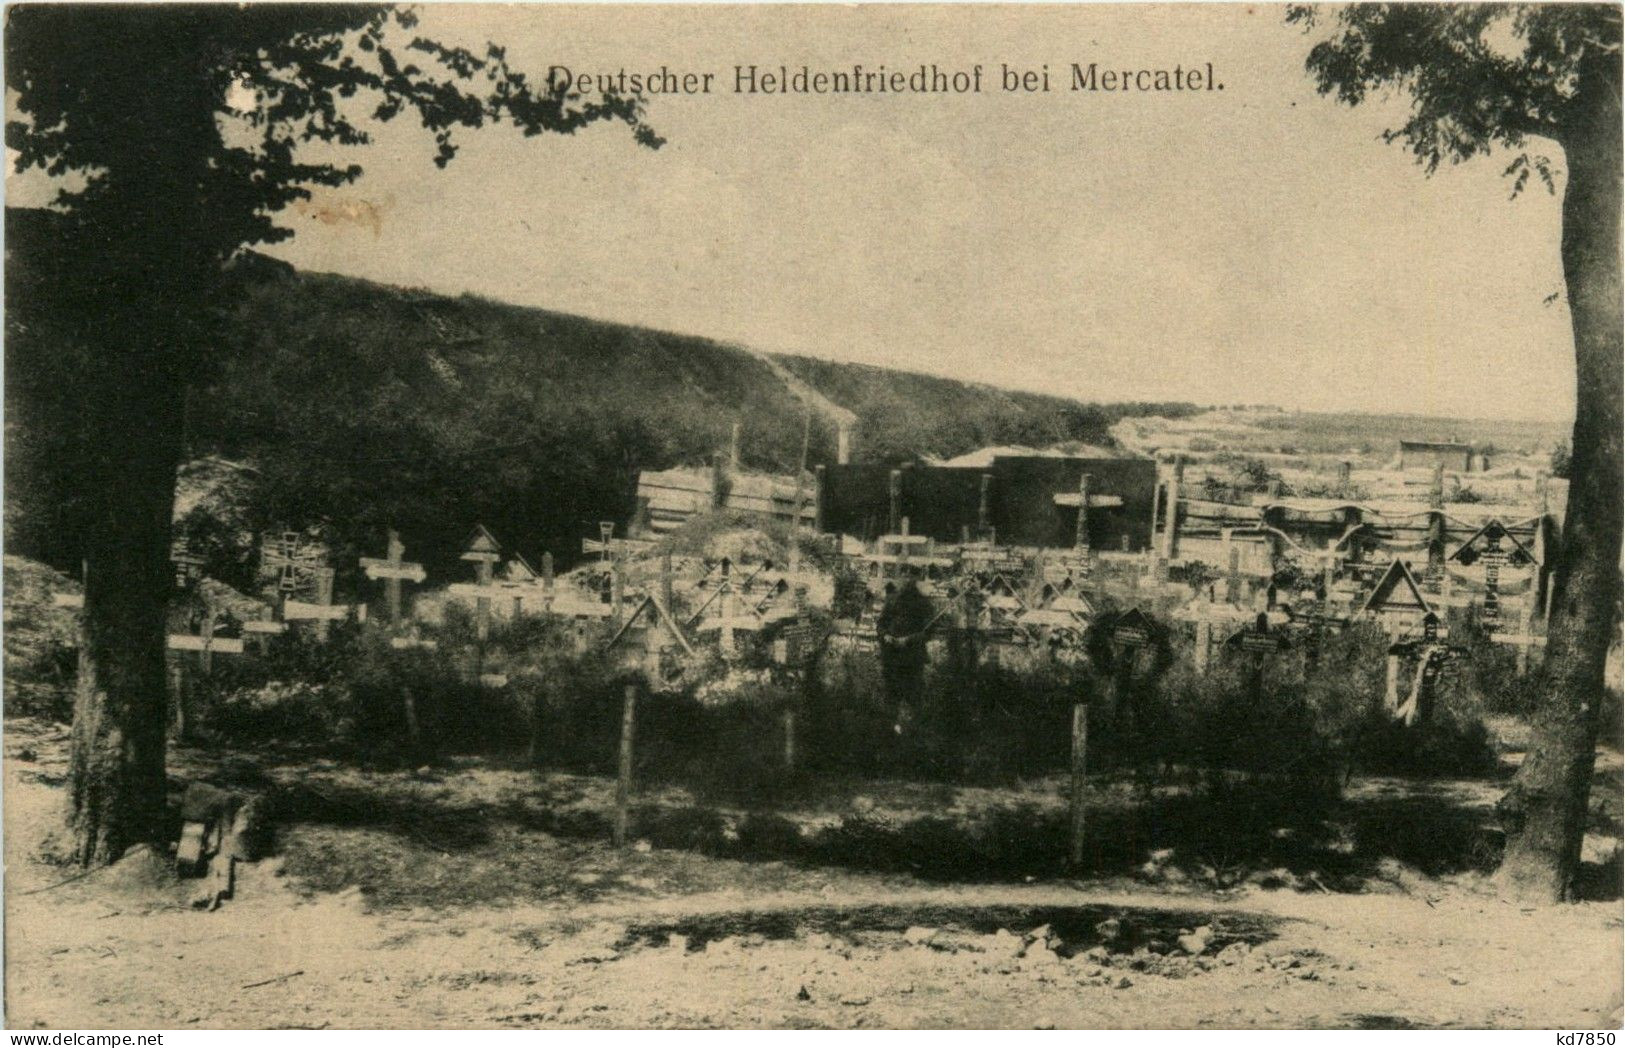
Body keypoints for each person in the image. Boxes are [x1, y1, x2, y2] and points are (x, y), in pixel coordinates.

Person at [877, 573, 933, 734]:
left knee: (914, 694)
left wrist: (908, 640)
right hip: (891, 656)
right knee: (892, 694)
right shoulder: (892, 600)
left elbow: (928, 632)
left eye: (909, 576)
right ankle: (890, 729)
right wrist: (885, 635)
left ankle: (914, 732)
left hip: (912, 658)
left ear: (914, 580)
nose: (905, 580)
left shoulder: (923, 604)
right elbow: (881, 625)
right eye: (902, 576)